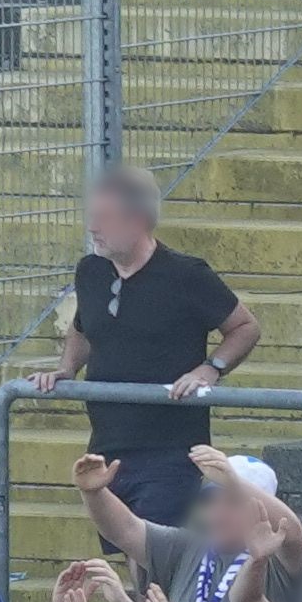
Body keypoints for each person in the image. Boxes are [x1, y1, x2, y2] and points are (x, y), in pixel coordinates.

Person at [31, 166, 256, 532]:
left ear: (136, 220)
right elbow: (83, 325)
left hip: (170, 451)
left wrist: (211, 368)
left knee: (154, 558)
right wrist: (66, 368)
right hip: (107, 445)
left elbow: (245, 327)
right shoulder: (91, 271)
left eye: (103, 218)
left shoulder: (187, 275)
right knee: (127, 560)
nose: (93, 228)